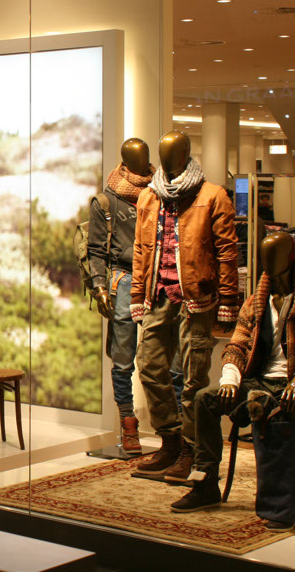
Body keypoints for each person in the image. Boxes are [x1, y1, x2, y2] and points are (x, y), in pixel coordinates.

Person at [170, 232, 295, 526]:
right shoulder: (255, 303)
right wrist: (230, 379)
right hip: (260, 381)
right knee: (204, 399)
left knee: (281, 410)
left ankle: (284, 500)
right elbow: (237, 344)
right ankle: (205, 483)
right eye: (265, 256)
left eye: (275, 256)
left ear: (290, 257)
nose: (269, 263)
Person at [130, 131, 238, 483]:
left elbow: (227, 252)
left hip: (196, 299)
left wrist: (229, 299)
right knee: (149, 366)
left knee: (194, 379)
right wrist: (137, 294)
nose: (167, 159)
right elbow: (141, 251)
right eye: (163, 153)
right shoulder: (149, 196)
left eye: (173, 153)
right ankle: (171, 440)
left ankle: (192, 449)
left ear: (186, 154)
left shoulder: (212, 196)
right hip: (158, 295)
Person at [88, 138, 183, 454]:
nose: (143, 163)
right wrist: (99, 287)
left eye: (146, 158)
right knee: (123, 359)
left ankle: (176, 428)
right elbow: (96, 250)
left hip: (159, 277)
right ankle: (128, 423)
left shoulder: (162, 193)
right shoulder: (106, 201)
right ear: (125, 162)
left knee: (169, 359)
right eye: (136, 159)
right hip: (125, 280)